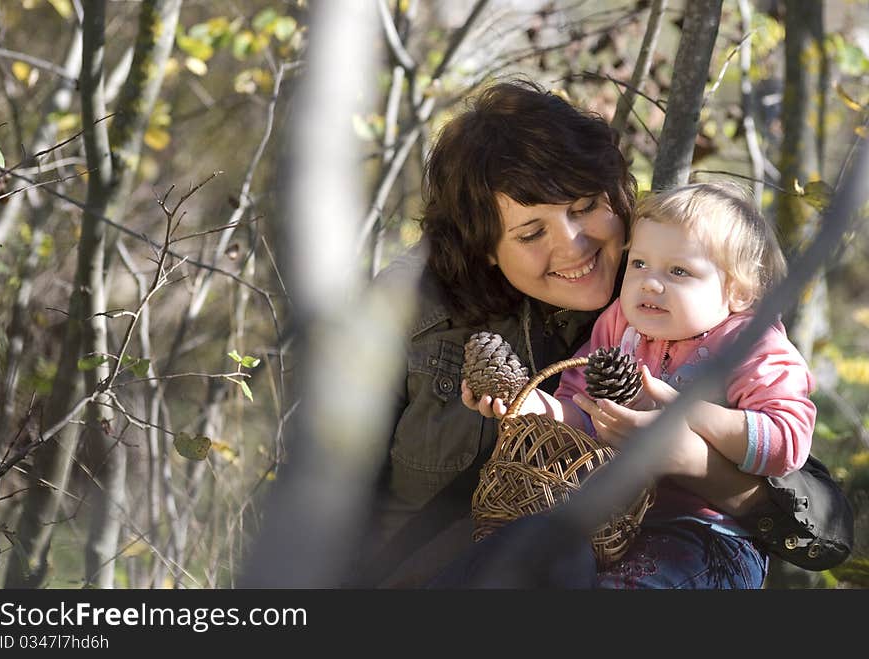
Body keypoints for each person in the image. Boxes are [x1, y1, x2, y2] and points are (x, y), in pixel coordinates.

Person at [349, 79, 852, 588]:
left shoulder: (677, 290)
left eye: (586, 206)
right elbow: (320, 503)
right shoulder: (410, 308)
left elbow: (822, 527)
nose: (574, 245)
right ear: (483, 246)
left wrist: (695, 461)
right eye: (531, 233)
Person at [464, 182, 816, 587]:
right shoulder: (620, 325)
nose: (649, 282)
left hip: (708, 536)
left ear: (737, 292)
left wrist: (687, 414)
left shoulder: (753, 345)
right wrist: (530, 405)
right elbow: (581, 411)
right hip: (613, 524)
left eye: (679, 271)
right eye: (639, 264)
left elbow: (786, 443)